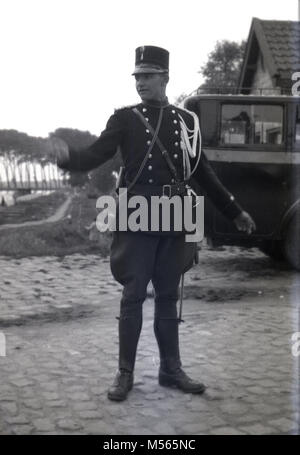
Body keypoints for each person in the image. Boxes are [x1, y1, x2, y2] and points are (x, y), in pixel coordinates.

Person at [57, 46, 256, 402]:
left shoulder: (185, 121)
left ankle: (170, 369)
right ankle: (125, 373)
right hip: (136, 214)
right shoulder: (124, 119)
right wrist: (70, 158)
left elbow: (203, 174)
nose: (141, 83)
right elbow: (96, 153)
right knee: (133, 294)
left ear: (165, 78)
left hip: (175, 216)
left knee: (168, 293)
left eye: (148, 76)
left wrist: (234, 210)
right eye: (137, 77)